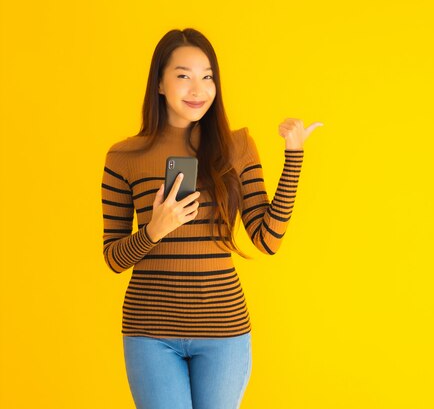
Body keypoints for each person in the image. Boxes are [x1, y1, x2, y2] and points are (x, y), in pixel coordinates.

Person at [100, 28, 322, 409]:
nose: (197, 89)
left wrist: (294, 156)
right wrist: (154, 229)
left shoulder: (237, 147)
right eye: (183, 75)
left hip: (223, 331)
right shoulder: (124, 156)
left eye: (207, 77)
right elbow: (113, 258)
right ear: (160, 84)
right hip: (150, 332)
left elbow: (268, 240)